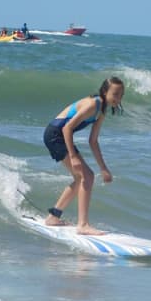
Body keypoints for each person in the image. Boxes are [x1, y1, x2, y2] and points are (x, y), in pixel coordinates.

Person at [43, 77, 125, 235]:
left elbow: (93, 141)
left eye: (121, 95)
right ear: (104, 92)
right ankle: (83, 225)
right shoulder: (93, 104)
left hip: (59, 135)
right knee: (86, 176)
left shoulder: (102, 110)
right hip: (55, 135)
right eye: (115, 94)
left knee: (83, 177)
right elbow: (67, 128)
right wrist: (73, 156)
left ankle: (54, 217)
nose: (118, 98)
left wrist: (104, 168)